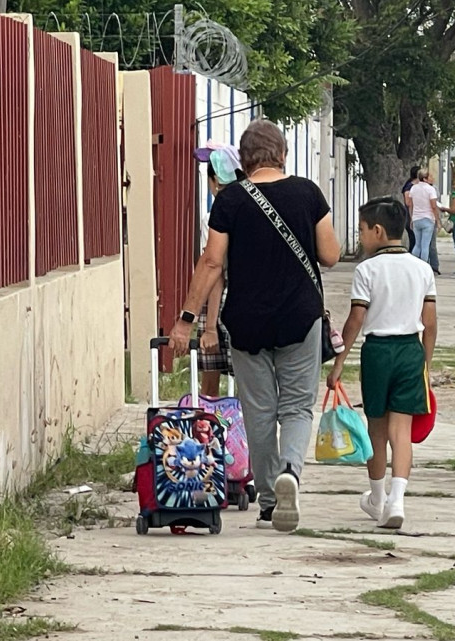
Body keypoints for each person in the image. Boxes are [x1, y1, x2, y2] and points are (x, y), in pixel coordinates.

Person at [170, 120, 341, 533]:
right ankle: (290, 475)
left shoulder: (229, 201)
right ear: (282, 153)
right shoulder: (307, 194)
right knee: (297, 407)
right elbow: (331, 255)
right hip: (300, 317)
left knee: (259, 412)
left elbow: (211, 263)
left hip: (246, 321)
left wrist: (186, 320)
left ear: (244, 160)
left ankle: (268, 500)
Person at [327, 197, 437, 529]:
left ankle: (376, 497)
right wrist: (426, 367)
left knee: (376, 429)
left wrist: (339, 362)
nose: (360, 236)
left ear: (377, 231)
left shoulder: (367, 270)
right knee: (400, 430)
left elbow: (355, 320)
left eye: (361, 230)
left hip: (377, 352)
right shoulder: (422, 269)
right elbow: (430, 323)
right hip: (410, 352)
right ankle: (397, 501)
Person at [193, 143, 245, 396]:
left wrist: (211, 326)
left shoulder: (212, 217)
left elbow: (215, 272)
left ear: (214, 181)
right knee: (249, 381)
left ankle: (210, 427)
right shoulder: (252, 209)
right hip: (250, 298)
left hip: (220, 304)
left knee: (210, 377)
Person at [407, 169, 439, 263]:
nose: (432, 178)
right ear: (425, 179)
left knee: (417, 244)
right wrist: (437, 219)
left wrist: (411, 218)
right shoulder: (430, 189)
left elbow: (410, 204)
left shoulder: (413, 188)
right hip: (428, 218)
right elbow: (433, 206)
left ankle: (414, 264)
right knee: (425, 245)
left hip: (416, 218)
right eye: (430, 177)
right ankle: (424, 266)